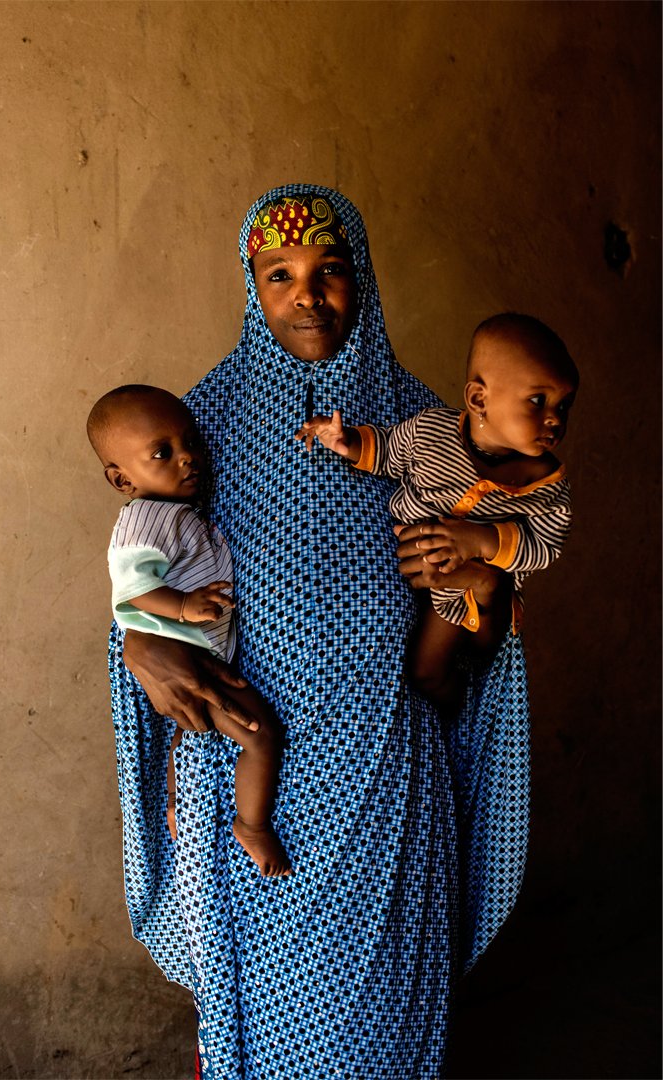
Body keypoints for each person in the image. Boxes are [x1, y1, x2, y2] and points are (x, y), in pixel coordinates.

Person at [108, 184, 530, 1079]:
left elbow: (480, 630)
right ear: (251, 289)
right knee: (258, 1015)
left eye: (330, 270)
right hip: (250, 764)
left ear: (364, 280)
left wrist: (474, 582)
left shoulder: (434, 433)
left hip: (386, 772)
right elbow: (141, 574)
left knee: (380, 1017)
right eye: (280, 274)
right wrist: (138, 646)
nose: (308, 294)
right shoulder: (199, 427)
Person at [295, 313, 578, 715]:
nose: (555, 418)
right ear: (479, 399)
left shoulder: (547, 484)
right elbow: (390, 450)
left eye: (564, 405)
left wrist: (482, 541)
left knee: (427, 673)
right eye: (538, 400)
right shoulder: (431, 431)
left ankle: (458, 719)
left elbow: (545, 547)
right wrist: (346, 441)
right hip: (394, 569)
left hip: (462, 593)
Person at [87, 384, 290, 876]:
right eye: (163, 453)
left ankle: (177, 799)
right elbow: (132, 589)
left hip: (199, 653)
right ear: (121, 480)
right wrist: (182, 606)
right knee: (261, 737)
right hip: (187, 656)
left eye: (191, 443)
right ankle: (253, 826)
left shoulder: (173, 512)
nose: (188, 459)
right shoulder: (143, 520)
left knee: (188, 732)